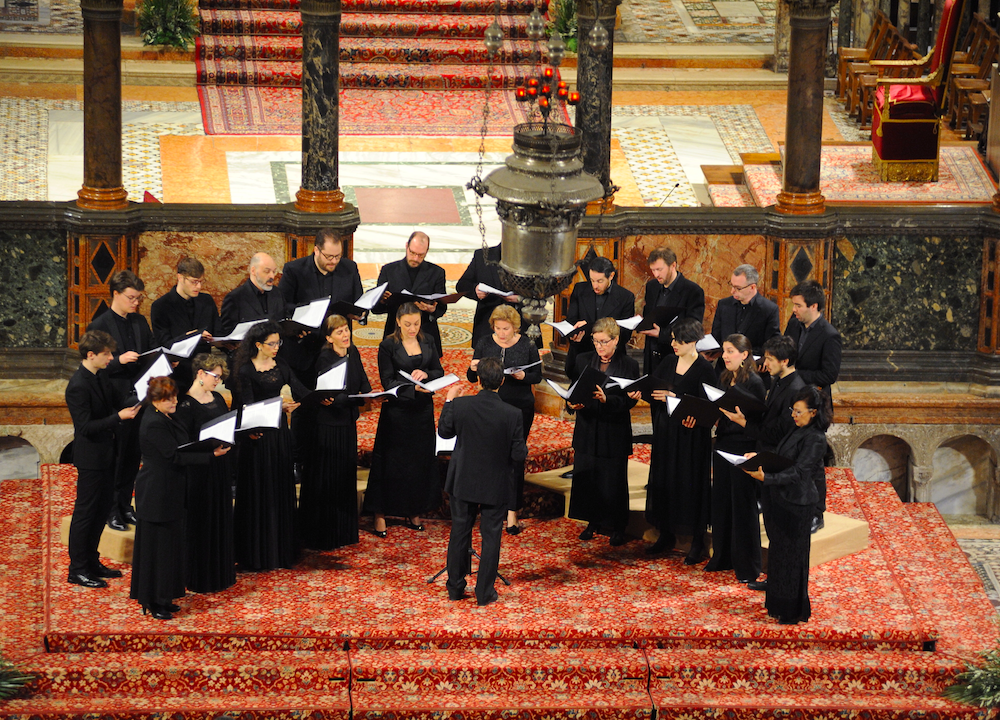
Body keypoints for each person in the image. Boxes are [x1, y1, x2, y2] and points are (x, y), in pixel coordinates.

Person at [130, 376, 228, 620]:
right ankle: (153, 601)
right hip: (157, 492)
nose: (174, 402)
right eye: (168, 399)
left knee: (171, 547)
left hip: (171, 489)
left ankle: (167, 595)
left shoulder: (165, 416)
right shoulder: (153, 422)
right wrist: (210, 456)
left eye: (174, 397)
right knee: (158, 550)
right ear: (155, 400)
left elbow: (182, 446)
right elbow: (173, 456)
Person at [440, 357, 527, 606]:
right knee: (491, 538)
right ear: (501, 381)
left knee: (459, 533)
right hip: (495, 484)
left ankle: (455, 588)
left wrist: (449, 400)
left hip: (463, 481)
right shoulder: (512, 414)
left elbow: (444, 432)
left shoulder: (461, 405)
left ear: (479, 380)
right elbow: (519, 455)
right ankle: (484, 592)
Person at [743, 386, 830, 625]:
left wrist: (766, 479)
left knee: (793, 559)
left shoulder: (816, 438)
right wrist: (758, 458)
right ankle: (779, 604)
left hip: (797, 504)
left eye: (798, 411)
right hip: (779, 499)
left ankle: (791, 611)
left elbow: (800, 473)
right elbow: (781, 457)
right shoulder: (796, 429)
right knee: (780, 556)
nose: (793, 414)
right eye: (793, 410)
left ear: (813, 413)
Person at [65, 330, 141, 588]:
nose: (111, 358)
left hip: (109, 453)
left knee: (100, 513)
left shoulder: (101, 375)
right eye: (107, 354)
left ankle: (92, 561)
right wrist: (118, 417)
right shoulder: (77, 386)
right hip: (91, 458)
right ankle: (77, 569)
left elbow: (118, 401)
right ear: (91, 355)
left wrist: (143, 395)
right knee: (86, 513)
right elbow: (85, 427)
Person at [230, 321, 307, 571]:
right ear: (258, 345)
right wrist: (280, 407)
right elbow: (247, 407)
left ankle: (281, 549)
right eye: (272, 344)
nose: (276, 347)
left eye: (278, 343)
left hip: (279, 435)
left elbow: (299, 389)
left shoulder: (281, 364)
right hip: (259, 438)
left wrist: (316, 396)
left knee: (280, 487)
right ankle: (258, 552)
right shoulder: (245, 370)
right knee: (260, 490)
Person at [364, 302, 444, 536]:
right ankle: (380, 514)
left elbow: (438, 371)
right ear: (398, 322)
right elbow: (387, 381)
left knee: (418, 461)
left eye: (416, 323)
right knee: (391, 463)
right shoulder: (388, 345)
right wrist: (412, 387)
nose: (412, 328)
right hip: (398, 413)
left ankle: (414, 510)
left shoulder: (428, 339)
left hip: (422, 412)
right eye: (407, 324)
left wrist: (427, 374)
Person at [644, 317, 717, 563]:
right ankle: (666, 533)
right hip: (667, 432)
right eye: (674, 338)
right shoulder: (667, 361)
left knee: (690, 483)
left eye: (679, 340)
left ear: (693, 342)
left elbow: (709, 406)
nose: (673, 343)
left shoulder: (705, 369)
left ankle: (696, 540)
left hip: (691, 437)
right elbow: (654, 390)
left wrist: (674, 396)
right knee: (665, 479)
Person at [86, 270, 152, 532]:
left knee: (133, 454)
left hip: (139, 395)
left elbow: (148, 350)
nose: (135, 303)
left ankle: (126, 505)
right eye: (131, 298)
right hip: (114, 398)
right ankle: (111, 509)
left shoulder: (139, 322)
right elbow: (93, 365)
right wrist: (118, 360)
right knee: (117, 455)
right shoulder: (99, 324)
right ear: (116, 294)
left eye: (138, 298)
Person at [299, 314, 372, 551]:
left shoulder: (354, 353)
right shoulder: (324, 359)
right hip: (328, 428)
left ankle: (344, 532)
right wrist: (350, 400)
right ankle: (325, 535)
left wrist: (358, 398)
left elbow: (364, 385)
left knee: (344, 478)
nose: (345, 334)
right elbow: (328, 397)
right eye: (339, 331)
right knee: (329, 479)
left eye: (346, 330)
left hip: (347, 424)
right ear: (329, 337)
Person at [466, 304, 541, 534]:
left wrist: (523, 375)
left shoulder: (527, 344)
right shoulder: (485, 343)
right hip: (490, 408)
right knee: (490, 457)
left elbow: (536, 375)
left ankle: (512, 514)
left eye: (506, 329)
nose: (501, 333)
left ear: (515, 327)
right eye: (498, 328)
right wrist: (472, 367)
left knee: (514, 459)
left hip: (518, 407)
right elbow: (471, 377)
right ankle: (489, 506)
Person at [566, 318, 641, 547]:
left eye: (604, 342)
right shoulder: (583, 360)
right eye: (596, 342)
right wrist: (572, 405)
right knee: (589, 477)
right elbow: (573, 391)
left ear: (616, 340)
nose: (600, 347)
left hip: (613, 430)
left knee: (613, 480)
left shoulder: (629, 365)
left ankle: (618, 526)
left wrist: (608, 400)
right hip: (588, 427)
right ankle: (592, 522)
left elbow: (629, 403)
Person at [704, 334, 766, 584]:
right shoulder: (724, 377)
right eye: (725, 351)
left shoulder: (755, 383)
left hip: (744, 447)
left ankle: (748, 566)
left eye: (731, 351)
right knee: (722, 502)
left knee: (743, 506)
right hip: (723, 443)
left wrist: (741, 421)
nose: (726, 356)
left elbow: (759, 421)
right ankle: (722, 557)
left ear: (744, 355)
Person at [173, 351, 237, 594]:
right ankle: (200, 576)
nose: (218, 381)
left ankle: (221, 573)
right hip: (199, 471)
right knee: (201, 522)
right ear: (200, 373)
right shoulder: (185, 404)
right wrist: (210, 452)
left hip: (219, 467)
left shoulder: (218, 398)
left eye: (220, 377)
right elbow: (184, 444)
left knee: (220, 517)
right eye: (215, 376)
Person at [783, 279, 841, 531]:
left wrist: (795, 372)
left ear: (813, 306)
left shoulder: (830, 335)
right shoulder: (793, 325)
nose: (793, 310)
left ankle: (818, 512)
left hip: (814, 407)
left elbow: (829, 375)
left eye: (798, 305)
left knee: (813, 463)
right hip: (792, 402)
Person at [279, 229, 364, 387]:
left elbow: (358, 301)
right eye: (329, 256)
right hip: (305, 350)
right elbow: (282, 305)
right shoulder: (294, 270)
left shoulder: (349, 268)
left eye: (338, 256)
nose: (334, 261)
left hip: (337, 351)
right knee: (308, 402)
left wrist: (360, 314)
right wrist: (306, 313)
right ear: (316, 250)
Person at [150, 256, 221, 393]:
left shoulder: (206, 301)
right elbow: (163, 344)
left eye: (201, 282)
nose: (198, 287)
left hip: (204, 374)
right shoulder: (161, 306)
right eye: (194, 282)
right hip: (177, 377)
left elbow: (218, 331)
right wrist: (189, 337)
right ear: (180, 278)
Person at [374, 232, 448, 357]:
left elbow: (441, 306)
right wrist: (381, 300)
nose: (415, 258)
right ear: (406, 246)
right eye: (412, 253)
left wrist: (432, 309)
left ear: (427, 251)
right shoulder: (389, 271)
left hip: (425, 332)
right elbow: (376, 309)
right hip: (395, 332)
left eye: (420, 255)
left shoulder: (437, 273)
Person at [563, 256, 636, 374]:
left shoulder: (625, 297)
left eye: (600, 281)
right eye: (592, 280)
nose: (595, 286)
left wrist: (590, 326)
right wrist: (573, 334)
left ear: (611, 276)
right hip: (581, 354)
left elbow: (625, 334)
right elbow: (571, 319)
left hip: (611, 362)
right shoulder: (579, 289)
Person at [638, 247, 705, 376]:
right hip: (651, 356)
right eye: (653, 270)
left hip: (675, 357)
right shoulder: (652, 287)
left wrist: (662, 334)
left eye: (659, 269)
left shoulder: (692, 291)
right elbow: (650, 314)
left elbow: (693, 328)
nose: (656, 274)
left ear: (673, 265)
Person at [455, 243, 522, 349]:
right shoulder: (482, 255)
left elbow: (544, 289)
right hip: (487, 324)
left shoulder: (530, 258)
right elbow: (462, 285)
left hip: (521, 324)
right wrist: (475, 290)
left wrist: (522, 298)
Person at [709, 264, 780, 362]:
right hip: (724, 367)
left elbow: (771, 343)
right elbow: (716, 336)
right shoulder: (724, 305)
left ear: (752, 287)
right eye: (731, 285)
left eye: (738, 288)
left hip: (752, 368)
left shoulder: (768, 309)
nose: (732, 291)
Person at [219, 252, 285, 335]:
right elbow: (226, 333)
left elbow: (284, 321)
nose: (272, 276)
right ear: (253, 271)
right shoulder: (235, 298)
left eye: (274, 271)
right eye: (267, 271)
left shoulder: (277, 293)